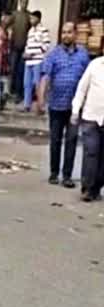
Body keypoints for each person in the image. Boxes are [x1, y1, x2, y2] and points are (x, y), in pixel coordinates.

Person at [39, 22, 90, 188]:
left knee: (72, 140)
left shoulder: (83, 54)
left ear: (75, 34)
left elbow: (88, 79)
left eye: (69, 32)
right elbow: (46, 77)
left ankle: (67, 175)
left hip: (75, 107)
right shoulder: (53, 54)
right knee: (55, 140)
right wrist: (40, 99)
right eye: (63, 32)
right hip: (56, 105)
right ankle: (54, 173)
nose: (66, 35)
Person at [72, 55, 104, 201]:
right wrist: (75, 110)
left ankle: (97, 187)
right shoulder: (95, 65)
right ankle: (87, 188)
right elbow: (81, 89)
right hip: (91, 117)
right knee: (91, 152)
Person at [23, 10, 50, 111]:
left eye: (32, 18)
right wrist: (26, 53)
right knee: (27, 83)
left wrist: (33, 53)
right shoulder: (30, 31)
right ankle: (27, 105)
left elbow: (46, 46)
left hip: (38, 61)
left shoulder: (44, 30)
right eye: (30, 18)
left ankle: (40, 105)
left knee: (37, 83)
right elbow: (28, 44)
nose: (31, 20)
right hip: (28, 61)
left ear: (38, 19)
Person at [11, 0, 31, 99]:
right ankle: (12, 91)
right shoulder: (14, 15)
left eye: (26, 2)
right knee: (12, 69)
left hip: (24, 48)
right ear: (19, 2)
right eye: (22, 2)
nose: (24, 4)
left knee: (21, 71)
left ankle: (19, 93)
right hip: (14, 47)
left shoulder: (29, 16)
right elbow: (6, 26)